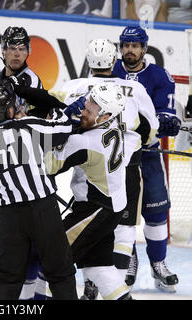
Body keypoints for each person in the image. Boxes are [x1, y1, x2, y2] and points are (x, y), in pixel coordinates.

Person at [59, 38, 159, 299]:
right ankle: (118, 286)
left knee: (61, 250)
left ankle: (90, 286)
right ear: (114, 60)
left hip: (88, 177)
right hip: (124, 173)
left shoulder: (74, 87)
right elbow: (150, 132)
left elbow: (50, 114)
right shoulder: (134, 89)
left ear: (88, 61)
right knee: (122, 235)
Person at [0, 84, 77, 300]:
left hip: (8, 217)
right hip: (43, 210)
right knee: (60, 272)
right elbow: (65, 127)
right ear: (11, 110)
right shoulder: (28, 126)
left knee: (8, 277)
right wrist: (56, 107)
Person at [0, 26, 48, 300]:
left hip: (21, 171)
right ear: (2, 51)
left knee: (20, 239)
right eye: (12, 49)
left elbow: (40, 128)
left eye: (22, 49)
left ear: (28, 51)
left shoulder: (32, 83)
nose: (17, 54)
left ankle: (26, 294)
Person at [45, 82, 133, 300]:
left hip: (94, 210)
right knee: (99, 267)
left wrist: (61, 121)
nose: (83, 111)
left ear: (105, 116)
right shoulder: (115, 128)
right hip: (111, 207)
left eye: (89, 110)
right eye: (86, 103)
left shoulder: (86, 142)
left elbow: (48, 165)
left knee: (51, 259)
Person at [112, 25, 181, 292]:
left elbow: (167, 110)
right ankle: (128, 257)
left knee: (156, 212)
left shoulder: (159, 75)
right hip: (116, 157)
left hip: (149, 155)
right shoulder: (111, 71)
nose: (130, 50)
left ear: (144, 48)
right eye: (126, 45)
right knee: (120, 214)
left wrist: (167, 120)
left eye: (135, 45)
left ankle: (158, 264)